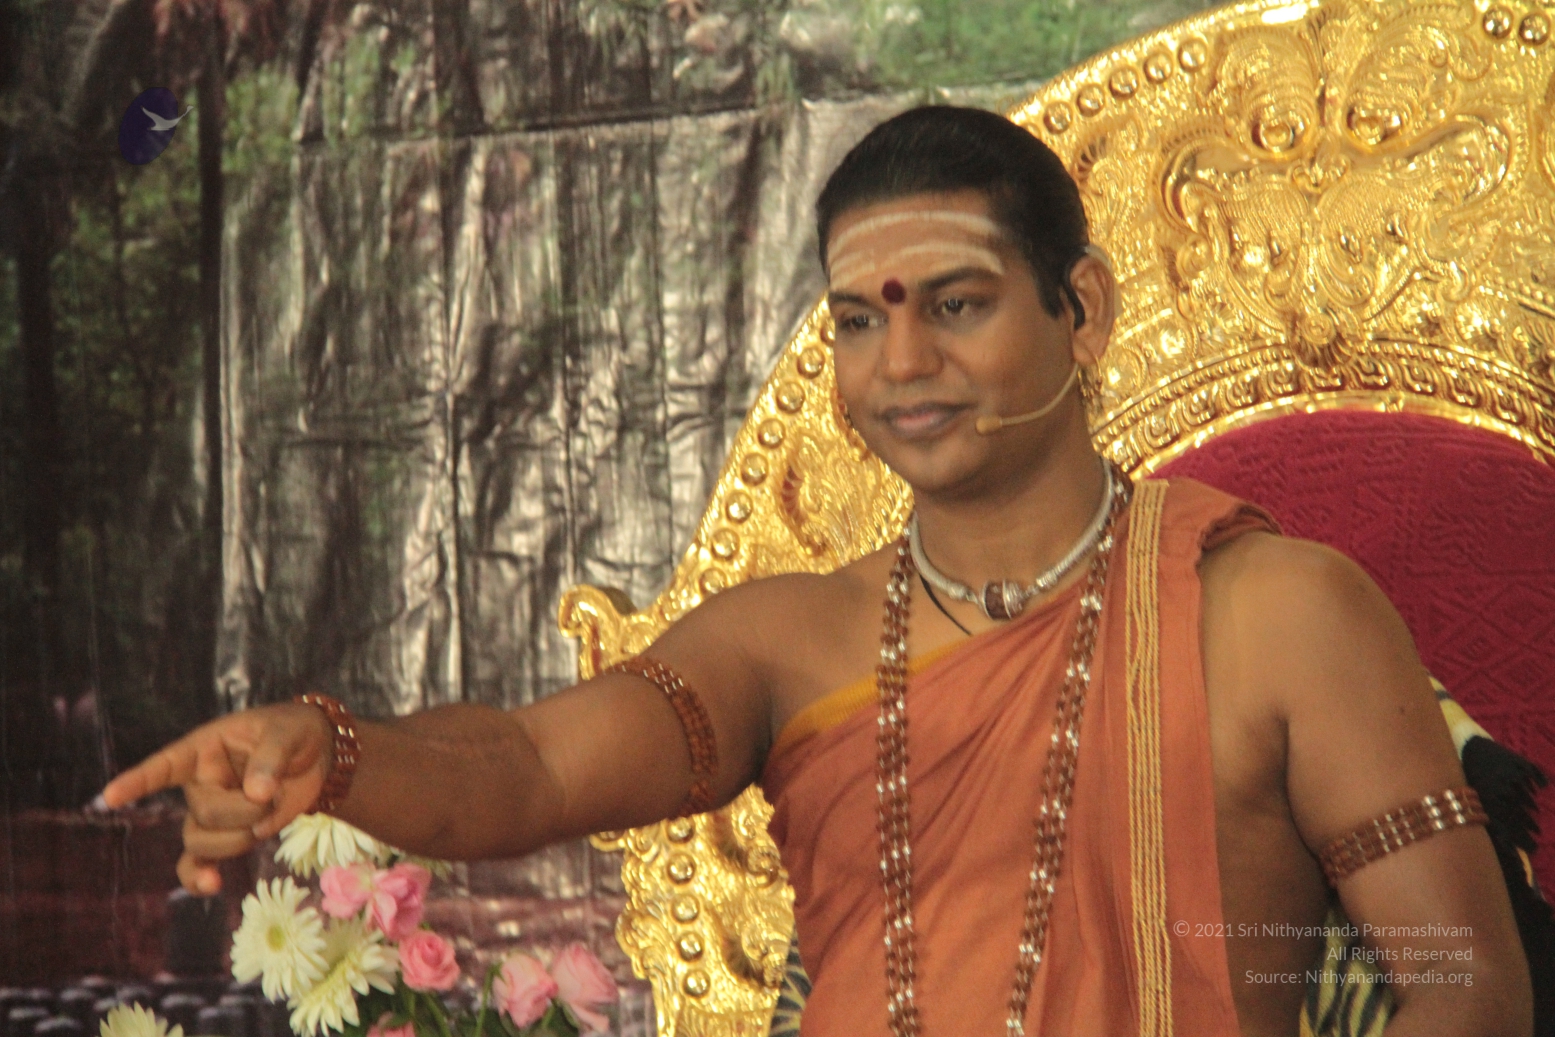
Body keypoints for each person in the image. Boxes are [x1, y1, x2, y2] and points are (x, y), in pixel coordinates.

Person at [102, 107, 1533, 1037]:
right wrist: (336, 753)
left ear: (1082, 309)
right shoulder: (788, 644)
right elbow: (527, 769)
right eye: (857, 320)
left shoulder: (1277, 614)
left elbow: (1470, 991)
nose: (900, 364)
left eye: (955, 305)